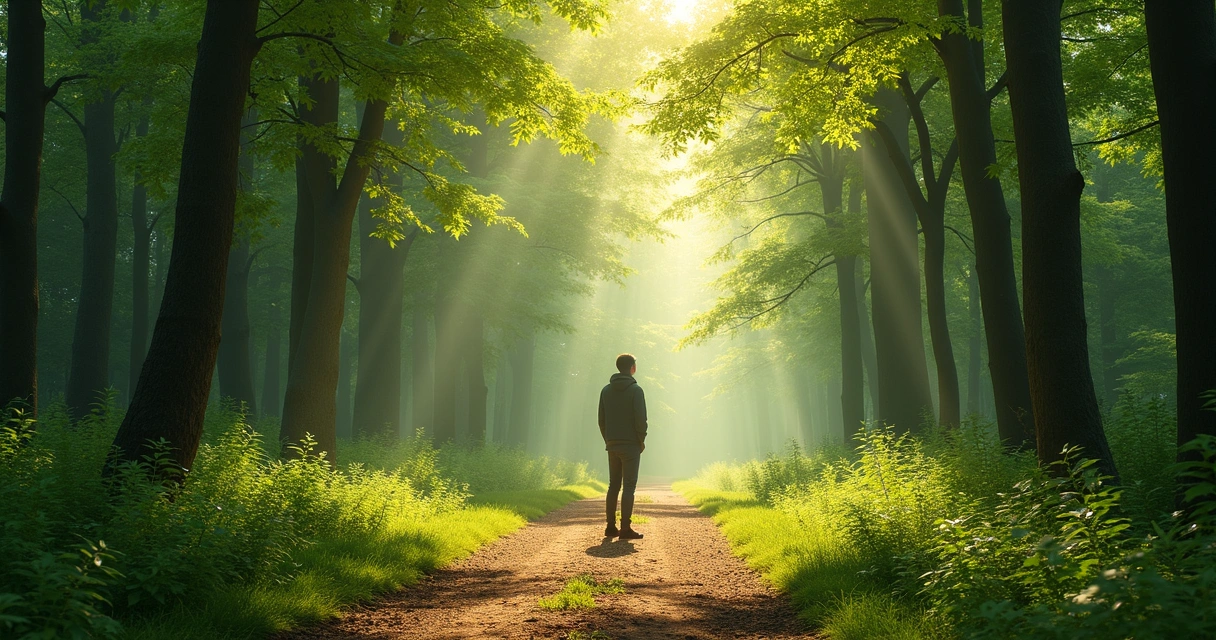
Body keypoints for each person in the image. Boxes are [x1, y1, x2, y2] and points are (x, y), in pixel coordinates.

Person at [598, 353, 647, 540]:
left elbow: (601, 420)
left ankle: (610, 527)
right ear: (633, 368)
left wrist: (608, 439)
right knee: (628, 487)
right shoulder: (636, 390)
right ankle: (625, 528)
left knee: (613, 485)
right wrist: (641, 439)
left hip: (612, 444)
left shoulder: (605, 391)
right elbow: (640, 420)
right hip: (631, 445)